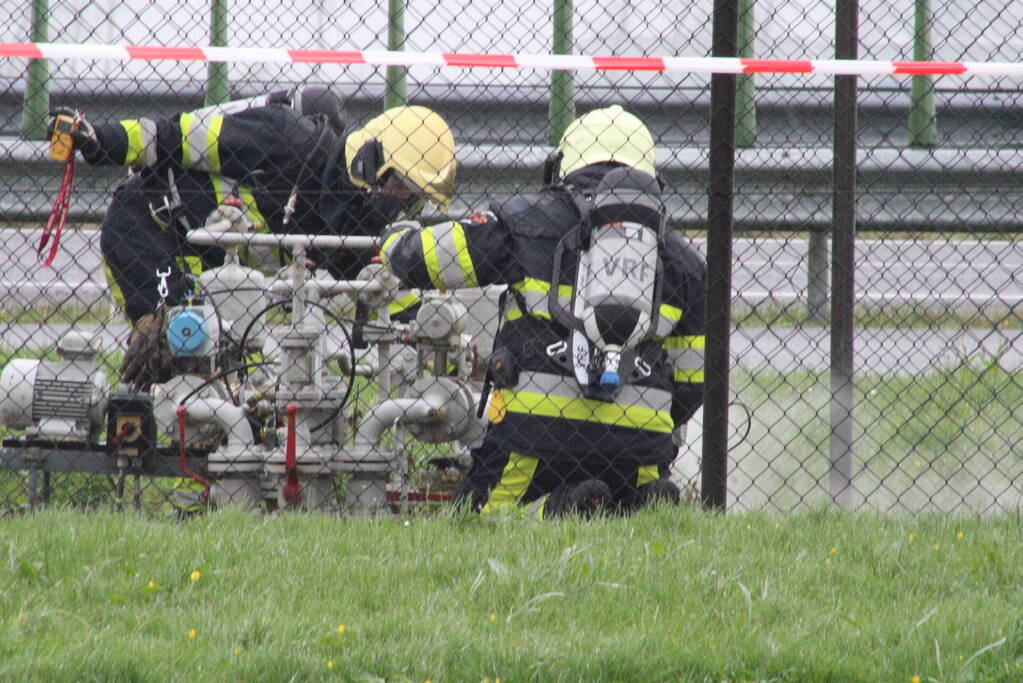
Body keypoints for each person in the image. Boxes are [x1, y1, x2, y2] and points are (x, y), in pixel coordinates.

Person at [379, 105, 705, 518]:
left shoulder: (523, 220)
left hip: (535, 435)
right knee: (634, 483)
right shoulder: (684, 262)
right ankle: (636, 503)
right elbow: (695, 382)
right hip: (638, 442)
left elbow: (423, 261)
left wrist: (396, 239)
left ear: (561, 166)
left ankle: (557, 508)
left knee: (479, 518)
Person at [49, 89, 455, 387]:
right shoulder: (285, 138)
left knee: (227, 378)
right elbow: (172, 137)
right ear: (371, 161)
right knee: (173, 344)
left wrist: (438, 333)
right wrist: (100, 141)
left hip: (214, 269)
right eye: (402, 190)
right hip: (147, 228)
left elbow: (382, 291)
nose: (402, 207)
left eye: (414, 201)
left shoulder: (355, 220)